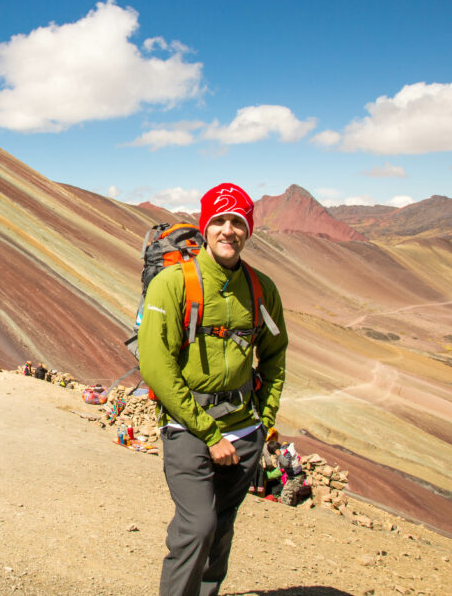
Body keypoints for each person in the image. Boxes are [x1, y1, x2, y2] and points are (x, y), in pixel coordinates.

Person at [138, 182, 288, 596]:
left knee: (221, 529)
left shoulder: (262, 290)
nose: (228, 230)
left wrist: (265, 420)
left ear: (248, 230)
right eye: (219, 220)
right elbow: (155, 364)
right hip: (188, 428)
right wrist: (208, 432)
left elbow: (275, 356)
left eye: (237, 222)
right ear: (205, 227)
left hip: (244, 430)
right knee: (197, 526)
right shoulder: (172, 284)